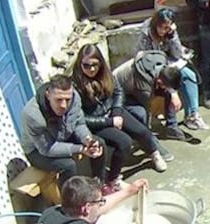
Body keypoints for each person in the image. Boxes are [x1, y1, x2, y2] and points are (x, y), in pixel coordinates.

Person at [71, 45, 168, 193]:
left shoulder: (105, 74)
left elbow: (118, 91)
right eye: (86, 65)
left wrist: (116, 111)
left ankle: (153, 152)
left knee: (142, 130)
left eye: (95, 65)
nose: (91, 69)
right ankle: (113, 179)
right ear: (80, 64)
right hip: (97, 123)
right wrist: (110, 122)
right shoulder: (76, 86)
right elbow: (81, 118)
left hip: (112, 112)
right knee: (124, 142)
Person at [19, 75, 107, 189]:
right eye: (59, 100)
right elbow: (47, 149)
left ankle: (98, 185)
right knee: (68, 165)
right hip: (38, 151)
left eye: (67, 100)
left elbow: (79, 124)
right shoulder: (33, 115)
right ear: (48, 95)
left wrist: (87, 140)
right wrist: (80, 149)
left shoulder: (75, 98)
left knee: (99, 143)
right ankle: (70, 202)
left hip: (63, 134)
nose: (64, 105)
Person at [137, 8, 208, 132]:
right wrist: (173, 91)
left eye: (168, 28)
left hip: (169, 61)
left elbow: (176, 54)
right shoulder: (146, 34)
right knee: (169, 82)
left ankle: (192, 115)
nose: (164, 31)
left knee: (189, 75)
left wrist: (173, 36)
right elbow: (150, 61)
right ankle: (171, 124)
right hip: (151, 66)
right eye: (162, 27)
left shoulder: (169, 32)